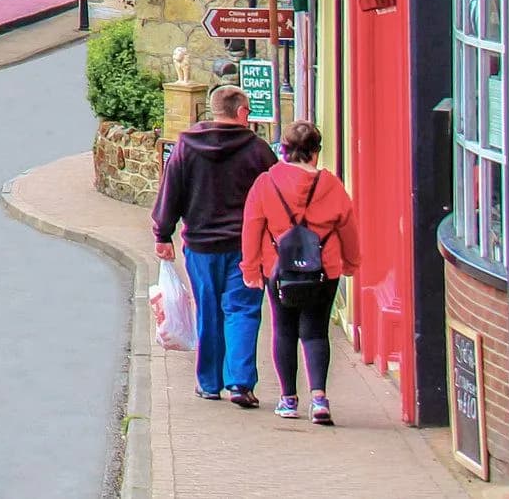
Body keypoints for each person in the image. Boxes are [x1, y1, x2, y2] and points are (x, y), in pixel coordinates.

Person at [152, 84, 278, 407]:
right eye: (247, 111)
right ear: (240, 112)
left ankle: (209, 383)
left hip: (201, 246)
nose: (249, 117)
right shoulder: (258, 150)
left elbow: (171, 191)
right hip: (245, 248)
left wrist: (163, 234)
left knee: (208, 310)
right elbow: (277, 195)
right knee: (243, 310)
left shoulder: (186, 146)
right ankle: (240, 383)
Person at [242, 121, 359, 425]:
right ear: (316, 153)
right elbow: (348, 227)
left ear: (284, 150)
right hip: (325, 269)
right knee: (316, 331)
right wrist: (351, 262)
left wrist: (251, 267)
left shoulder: (266, 183)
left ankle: (288, 399)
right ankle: (319, 399)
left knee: (284, 330)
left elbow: (252, 227)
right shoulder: (331, 185)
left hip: (279, 269)